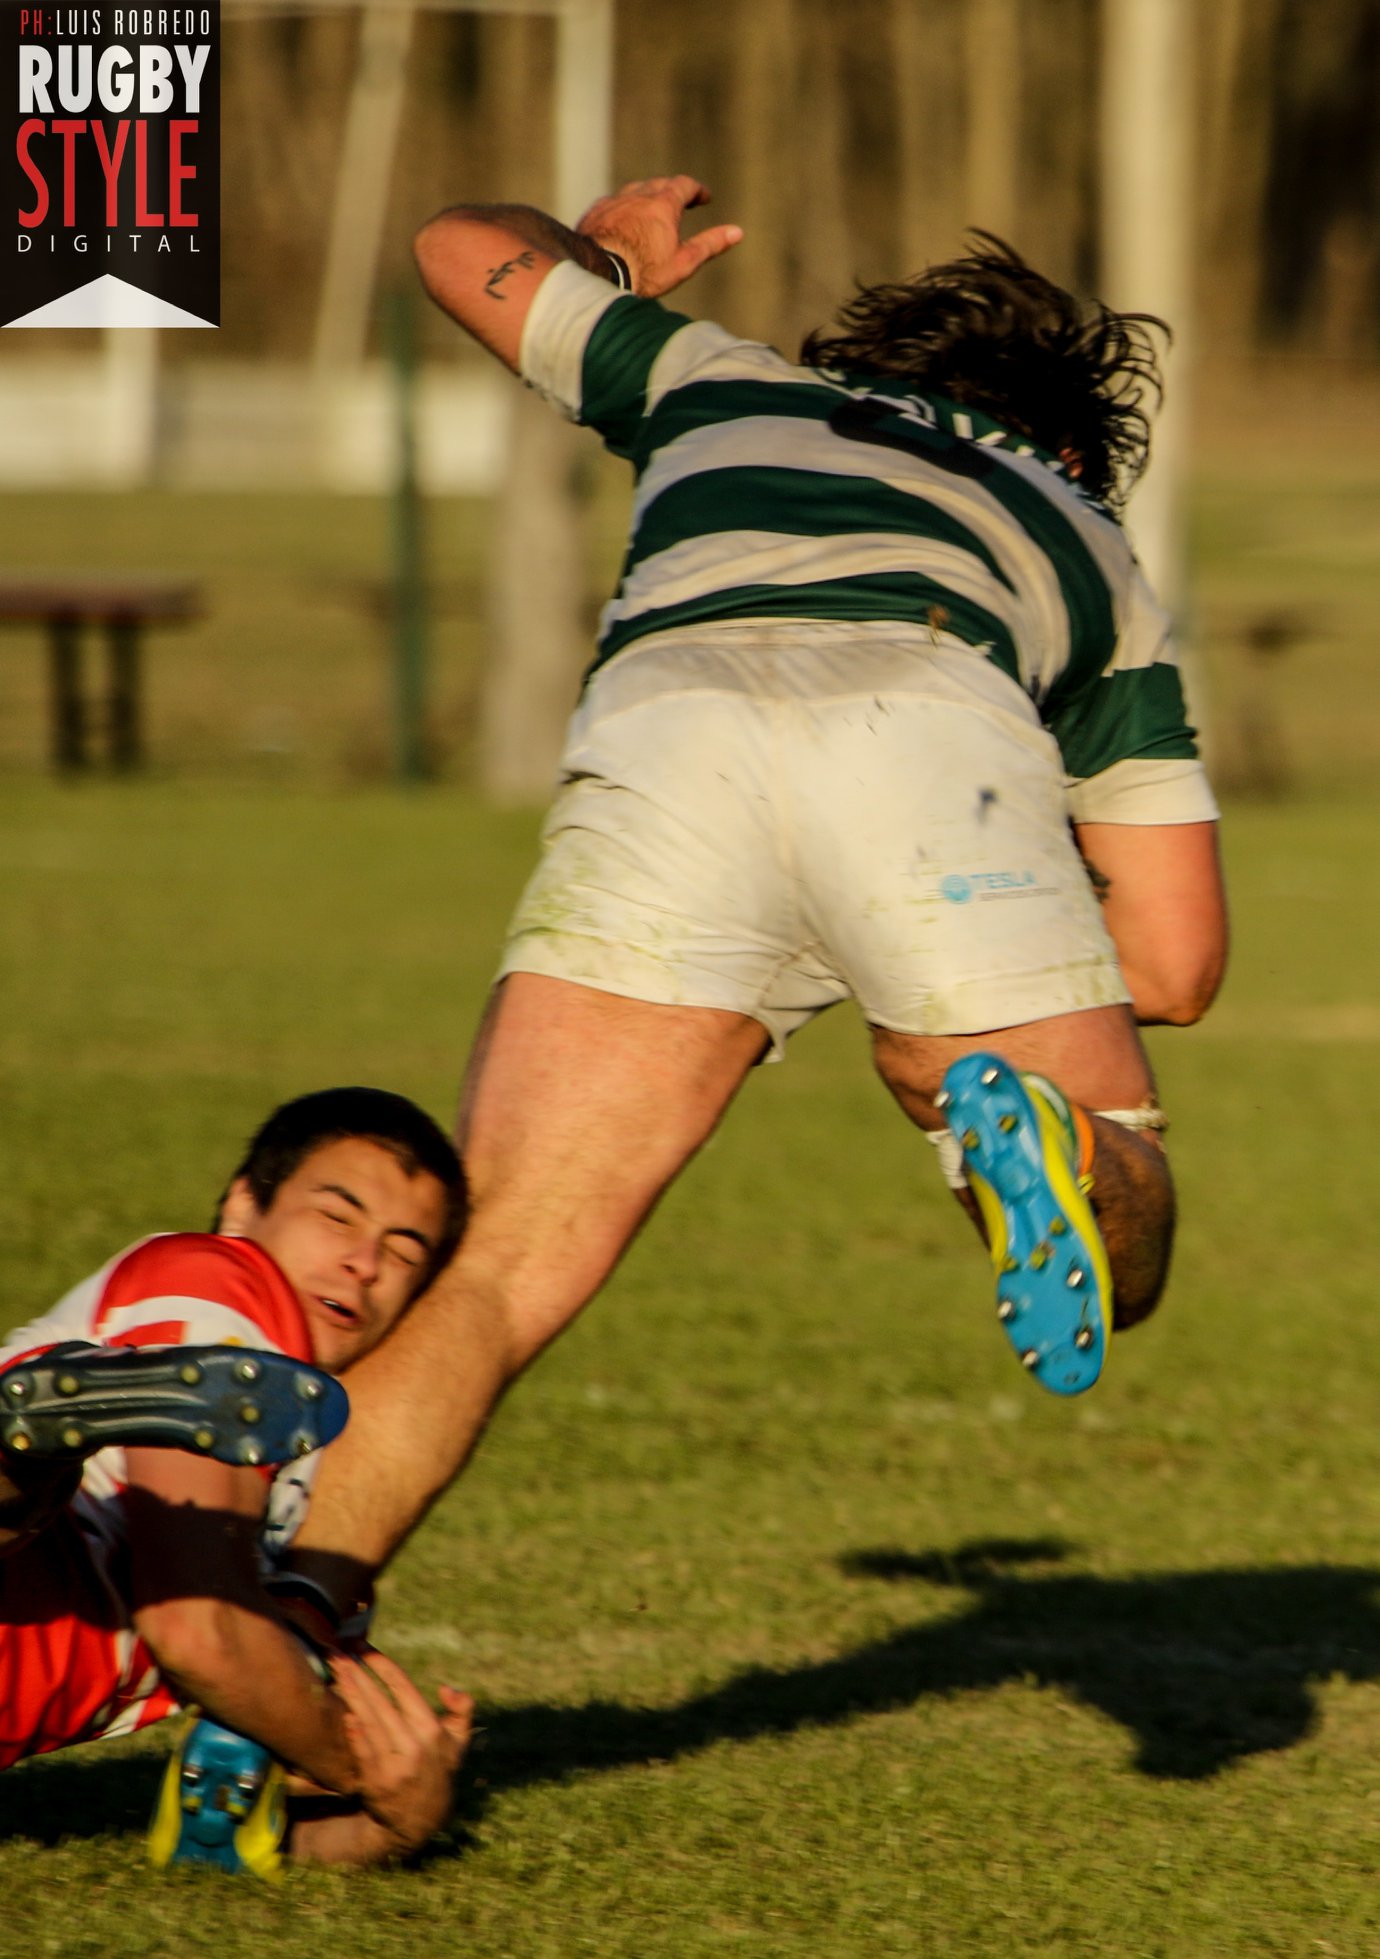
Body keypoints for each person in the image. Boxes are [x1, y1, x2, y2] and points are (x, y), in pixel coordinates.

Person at [287, 175, 1227, 1612]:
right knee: (1119, 1199)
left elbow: (447, 246)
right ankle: (1035, 1137)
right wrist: (961, 940)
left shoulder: (720, 380)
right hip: (928, 718)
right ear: (1077, 452)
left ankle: (275, 1646)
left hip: (672, 730)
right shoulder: (1089, 539)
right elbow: (1176, 960)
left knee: (489, 1279)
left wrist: (605, 262)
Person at [0, 1085, 474, 1871]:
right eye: (338, 1215)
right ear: (243, 1205)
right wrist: (359, 1768)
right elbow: (199, 1632)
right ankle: (25, 1458)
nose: (364, 1261)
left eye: (402, 1251)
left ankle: (28, 1458)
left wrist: (400, 1812)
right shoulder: (218, 1278)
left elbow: (259, 1836)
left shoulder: (308, 1530)